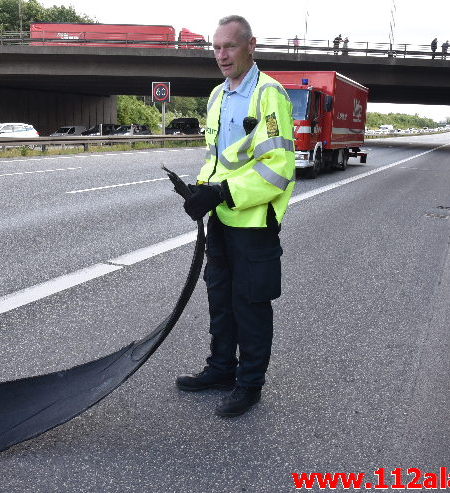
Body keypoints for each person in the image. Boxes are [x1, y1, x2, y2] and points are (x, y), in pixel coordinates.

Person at [175, 15, 295, 418]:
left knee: (251, 304)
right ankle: (221, 369)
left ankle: (249, 385)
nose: (221, 55)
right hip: (222, 220)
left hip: (255, 223)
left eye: (229, 46)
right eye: (216, 47)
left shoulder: (269, 94)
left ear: (250, 46)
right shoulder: (216, 96)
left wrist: (222, 192)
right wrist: (199, 189)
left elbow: (277, 168)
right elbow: (218, 158)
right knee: (221, 298)